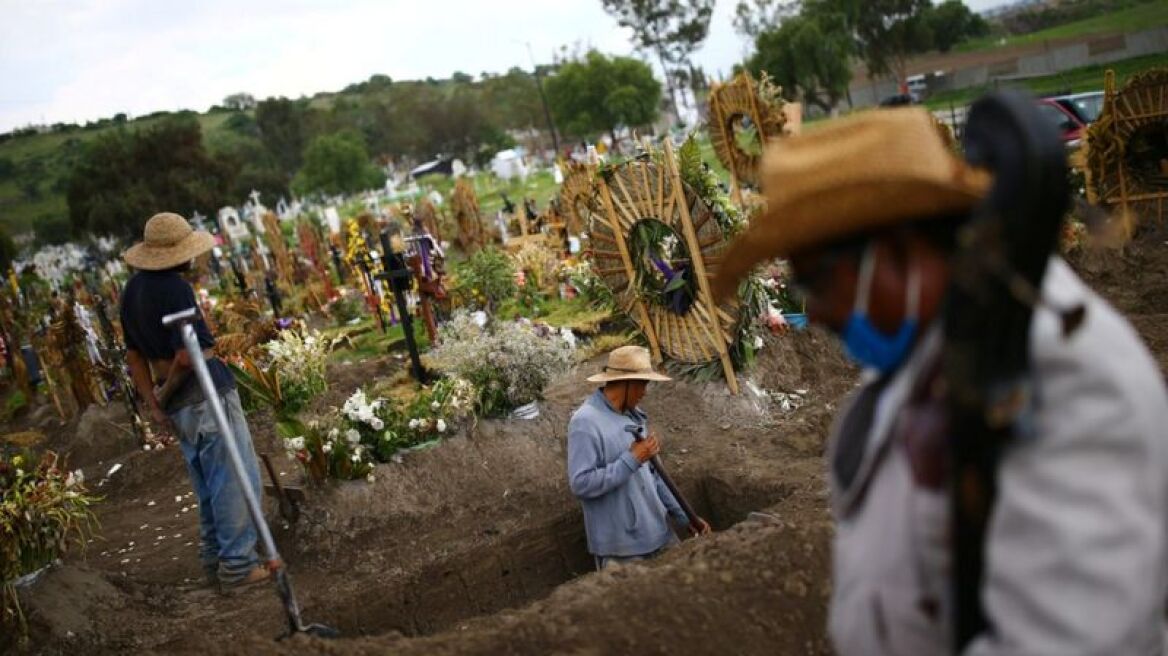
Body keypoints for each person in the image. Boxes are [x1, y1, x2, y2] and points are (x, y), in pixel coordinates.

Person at [713, 107, 1168, 654]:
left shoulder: (1061, 375)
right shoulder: (928, 355)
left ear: (901, 248)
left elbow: (1072, 636)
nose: (821, 313)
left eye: (819, 282)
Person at [120, 212, 268, 590]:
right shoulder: (173, 289)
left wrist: (155, 402)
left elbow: (134, 355)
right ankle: (238, 565)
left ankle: (213, 558)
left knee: (207, 484)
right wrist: (169, 388)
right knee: (232, 478)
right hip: (204, 396)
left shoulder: (132, 292)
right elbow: (189, 356)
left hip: (178, 407)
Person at [567, 345, 711, 570]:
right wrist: (631, 459)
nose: (645, 391)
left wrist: (686, 518)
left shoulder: (634, 416)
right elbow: (581, 484)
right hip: (622, 551)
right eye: (643, 383)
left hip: (660, 535)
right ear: (626, 383)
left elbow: (657, 476)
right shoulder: (585, 423)